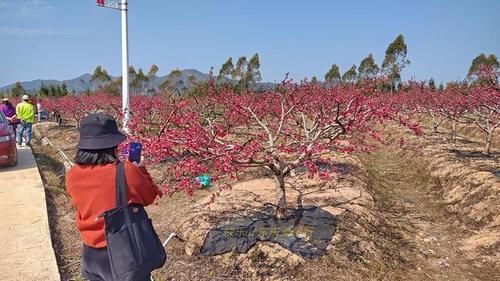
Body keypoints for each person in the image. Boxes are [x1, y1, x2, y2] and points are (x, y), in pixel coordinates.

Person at [65, 113, 162, 281]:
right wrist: (141, 169)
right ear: (112, 144)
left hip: (90, 255)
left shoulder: (72, 174)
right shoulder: (125, 171)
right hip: (122, 254)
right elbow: (150, 196)